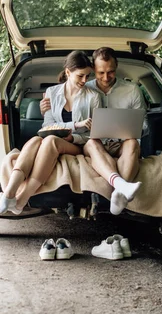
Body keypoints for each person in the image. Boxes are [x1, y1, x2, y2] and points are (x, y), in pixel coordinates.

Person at [40, 47, 147, 215]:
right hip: (94, 142)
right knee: (91, 142)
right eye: (100, 72)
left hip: (122, 143)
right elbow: (60, 104)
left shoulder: (132, 90)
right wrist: (46, 107)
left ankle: (119, 194)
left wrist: (125, 128)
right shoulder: (84, 87)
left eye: (111, 72)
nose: (106, 77)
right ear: (93, 70)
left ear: (116, 67)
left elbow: (144, 125)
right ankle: (119, 187)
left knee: (133, 143)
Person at [0, 51, 101, 215]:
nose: (85, 80)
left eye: (88, 76)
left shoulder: (93, 96)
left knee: (50, 140)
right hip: (51, 138)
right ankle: (8, 195)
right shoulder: (52, 93)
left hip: (78, 143)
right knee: (35, 141)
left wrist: (73, 134)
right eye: (80, 76)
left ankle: (22, 198)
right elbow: (48, 125)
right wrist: (76, 124)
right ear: (68, 72)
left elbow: (94, 133)